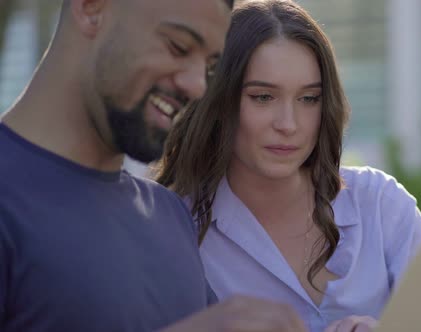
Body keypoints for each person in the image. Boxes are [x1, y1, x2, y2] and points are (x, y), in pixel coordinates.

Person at [0, 0, 306, 331]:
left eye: (209, 68)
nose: (197, 86)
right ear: (91, 9)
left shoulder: (168, 214)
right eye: (178, 46)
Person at [156, 0, 421, 331]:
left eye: (308, 99)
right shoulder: (174, 229)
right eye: (263, 97)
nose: (289, 124)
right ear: (218, 100)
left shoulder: (381, 205)